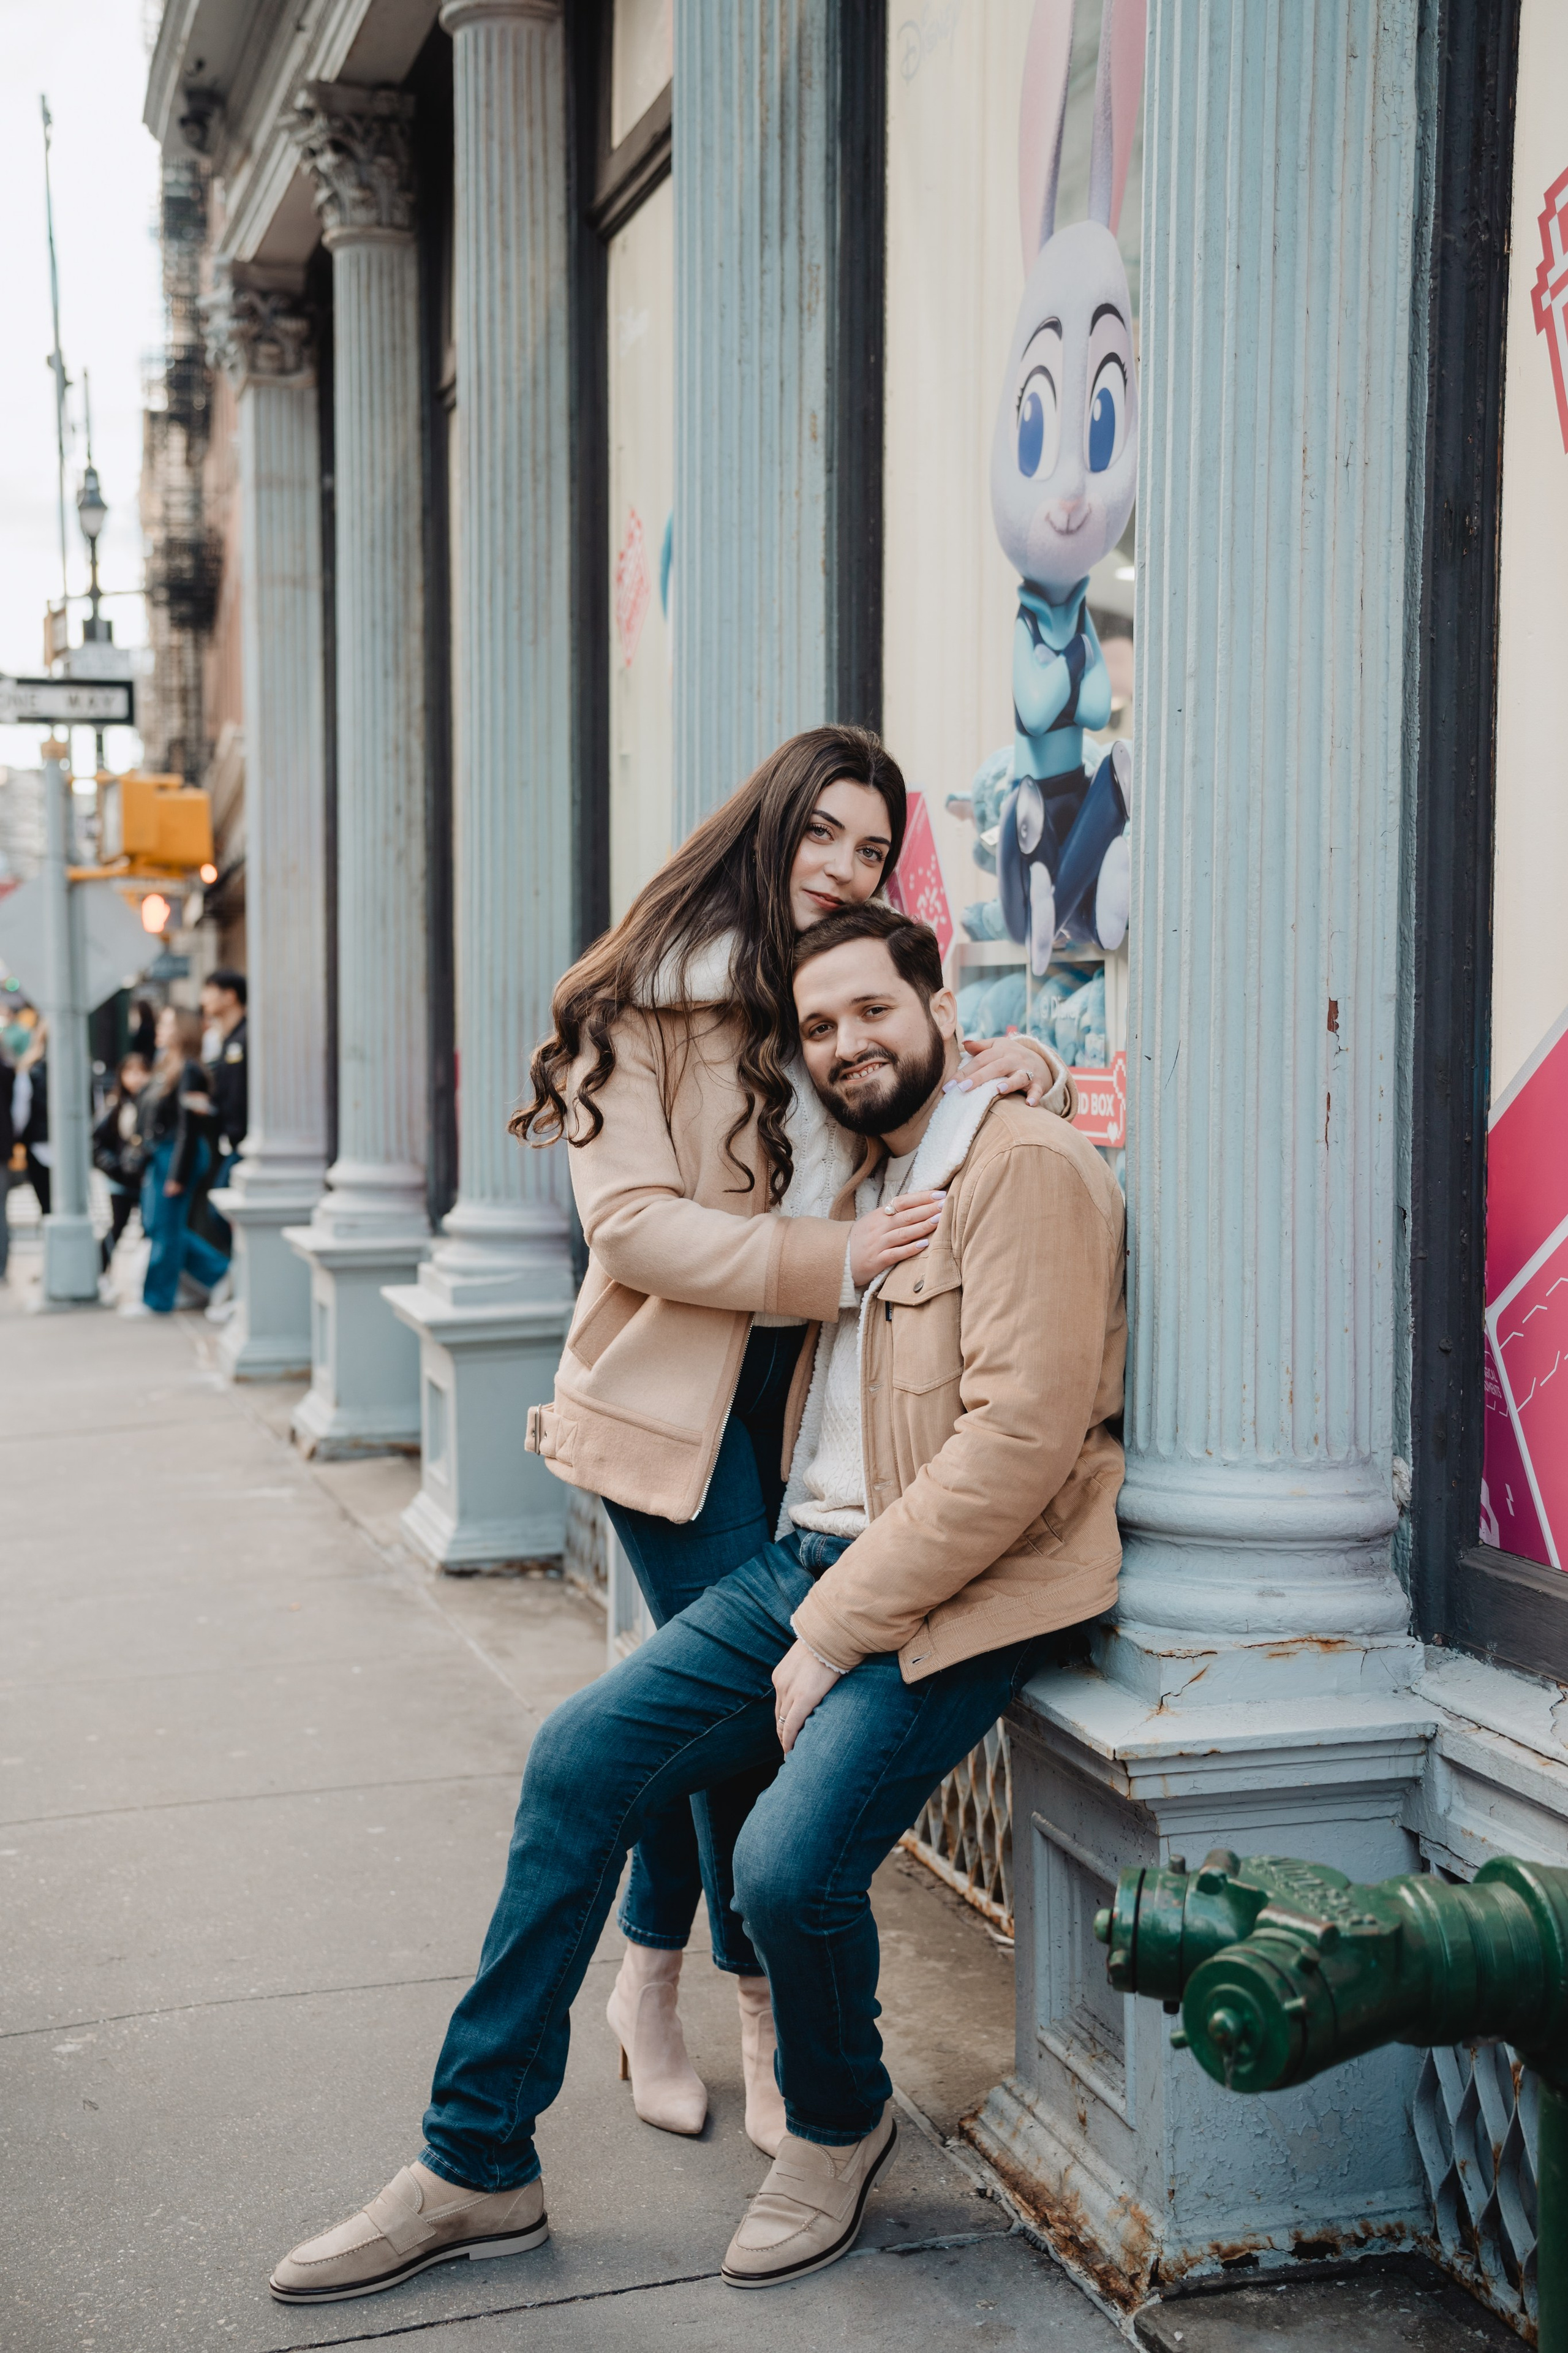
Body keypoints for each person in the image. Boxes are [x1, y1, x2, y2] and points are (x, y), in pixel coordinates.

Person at [269, 901, 1125, 2305]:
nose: (848, 1041)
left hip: (967, 1588)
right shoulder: (855, 1170)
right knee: (574, 1758)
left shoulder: (1018, 1166)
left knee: (787, 1866)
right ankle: (474, 2155)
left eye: (874, 1009)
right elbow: (660, 1185)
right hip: (805, 1562)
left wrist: (838, 1624)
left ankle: (841, 2123)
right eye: (822, 1023)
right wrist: (817, 1600)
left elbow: (1017, 1448)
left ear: (939, 1002)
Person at [510, 726, 1067, 2153]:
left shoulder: (824, 991)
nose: (842, 867)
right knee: (737, 1720)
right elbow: (626, 1223)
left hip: (810, 1391)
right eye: (821, 833)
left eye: (872, 849)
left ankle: (658, 1978)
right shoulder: (647, 995)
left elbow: (903, 1089)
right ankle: (721, 2007)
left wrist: (1016, 1065)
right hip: (674, 1399)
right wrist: (828, 1255)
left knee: (699, 1704)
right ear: (767, 827)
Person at [120, 1007, 231, 1321]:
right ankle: (222, 1273)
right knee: (160, 1226)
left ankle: (157, 1299)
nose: (160, 1028)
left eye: (167, 1023)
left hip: (177, 1154)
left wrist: (178, 1173)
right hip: (162, 1154)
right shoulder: (165, 1065)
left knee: (166, 1230)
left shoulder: (190, 1071)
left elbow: (188, 1127)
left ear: (182, 1030)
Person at [192, 968, 247, 1275]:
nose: (203, 999)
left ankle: (233, 1276)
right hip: (232, 1140)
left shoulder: (244, 1038)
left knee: (220, 1211)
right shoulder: (228, 1040)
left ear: (230, 996)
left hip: (244, 1142)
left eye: (209, 990)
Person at [92, 1052, 152, 1275]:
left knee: (150, 1228)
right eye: (131, 1072)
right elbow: (98, 1142)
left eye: (142, 1072)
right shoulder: (114, 1104)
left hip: (146, 1177)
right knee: (117, 1226)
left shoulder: (152, 1102)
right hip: (121, 1179)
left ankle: (144, 1276)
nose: (137, 1078)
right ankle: (97, 1273)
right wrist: (114, 1167)